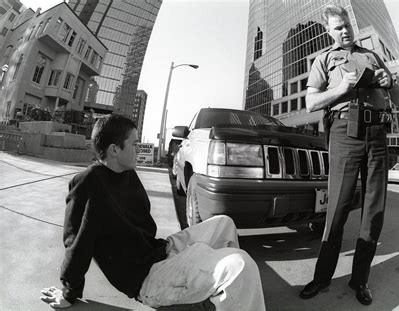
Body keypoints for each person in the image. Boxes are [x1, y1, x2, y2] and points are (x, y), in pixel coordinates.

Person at [40, 114, 265, 310]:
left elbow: (145, 228)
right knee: (240, 265)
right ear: (114, 150)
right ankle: (223, 282)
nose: (139, 149)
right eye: (134, 145)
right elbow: (77, 243)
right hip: (147, 278)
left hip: (159, 252)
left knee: (224, 224)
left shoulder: (127, 174)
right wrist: (69, 292)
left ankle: (220, 294)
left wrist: (171, 250)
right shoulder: (88, 183)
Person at [299, 5, 399, 306]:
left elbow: (397, 98)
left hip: (377, 134)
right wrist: (342, 88)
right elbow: (310, 103)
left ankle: (360, 280)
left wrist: (390, 82)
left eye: (347, 25)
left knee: (373, 212)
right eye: (338, 27)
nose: (344, 30)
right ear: (329, 31)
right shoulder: (325, 59)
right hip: (345, 132)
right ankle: (322, 278)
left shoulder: (372, 56)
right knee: (338, 209)